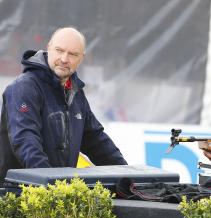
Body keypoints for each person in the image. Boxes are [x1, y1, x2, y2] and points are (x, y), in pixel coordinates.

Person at [0, 27, 127, 184]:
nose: (64, 58)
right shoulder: (23, 88)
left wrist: (127, 176)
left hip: (58, 192)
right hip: (19, 195)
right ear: (48, 48)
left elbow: (97, 141)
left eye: (73, 54)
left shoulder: (76, 92)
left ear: (81, 58)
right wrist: (52, 186)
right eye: (59, 50)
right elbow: (26, 142)